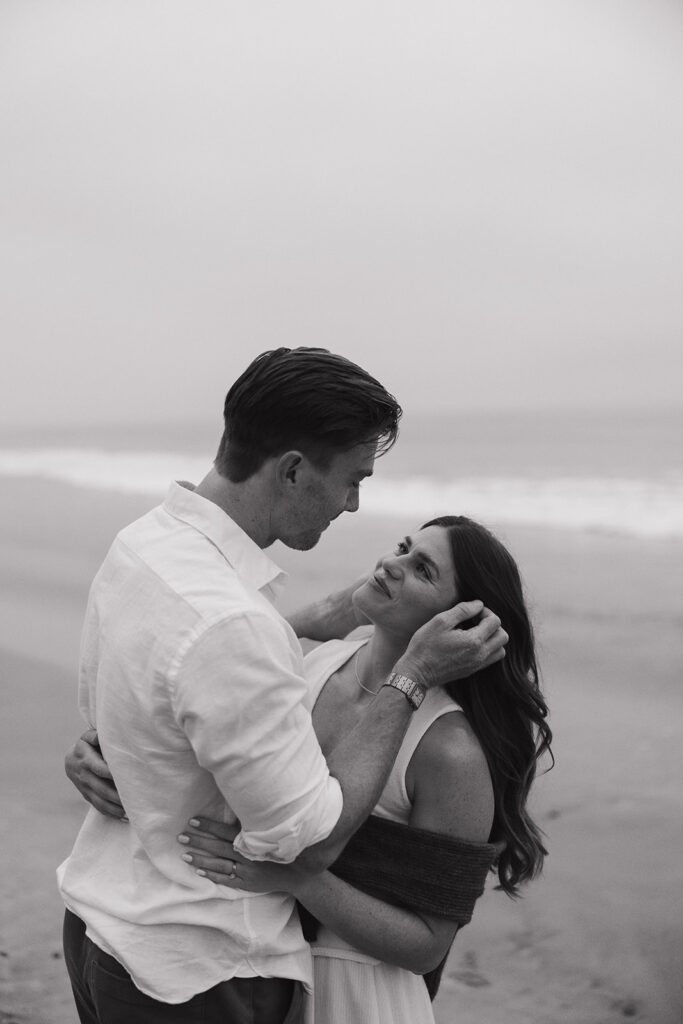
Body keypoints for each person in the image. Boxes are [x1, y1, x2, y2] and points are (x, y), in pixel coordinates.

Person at [59, 347, 508, 1024]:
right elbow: (307, 838)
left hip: (104, 924)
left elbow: (179, 682)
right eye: (352, 480)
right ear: (294, 470)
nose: (353, 506)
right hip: (195, 968)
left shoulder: (144, 546)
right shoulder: (241, 627)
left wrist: (115, 746)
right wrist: (412, 676)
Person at [68, 514, 551, 1024]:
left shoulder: (449, 749)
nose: (391, 563)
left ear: (458, 625)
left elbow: (427, 945)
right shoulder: (320, 664)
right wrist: (99, 752)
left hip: (354, 993)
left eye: (422, 569)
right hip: (256, 962)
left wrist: (297, 878)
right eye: (403, 547)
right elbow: (211, 693)